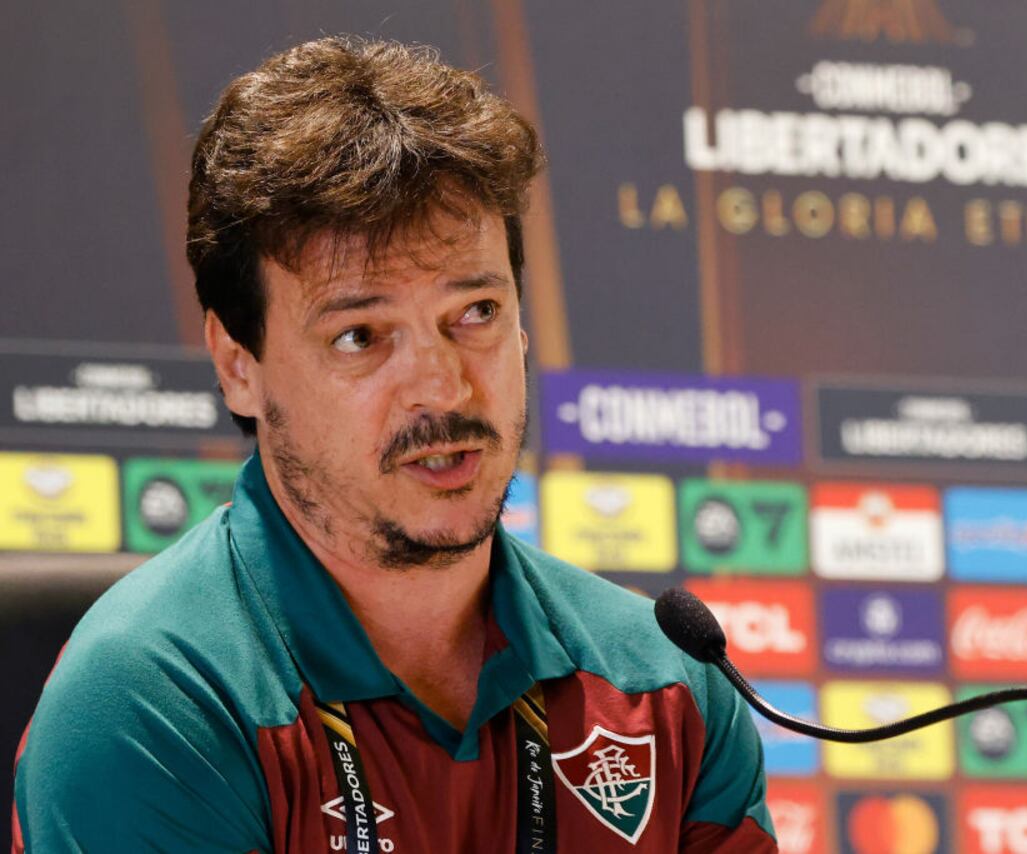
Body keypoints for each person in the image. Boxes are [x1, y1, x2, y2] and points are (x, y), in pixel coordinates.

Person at [11, 37, 775, 853]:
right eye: (361, 336)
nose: (443, 388)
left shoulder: (666, 682)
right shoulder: (146, 704)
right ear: (239, 367)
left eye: (476, 313)